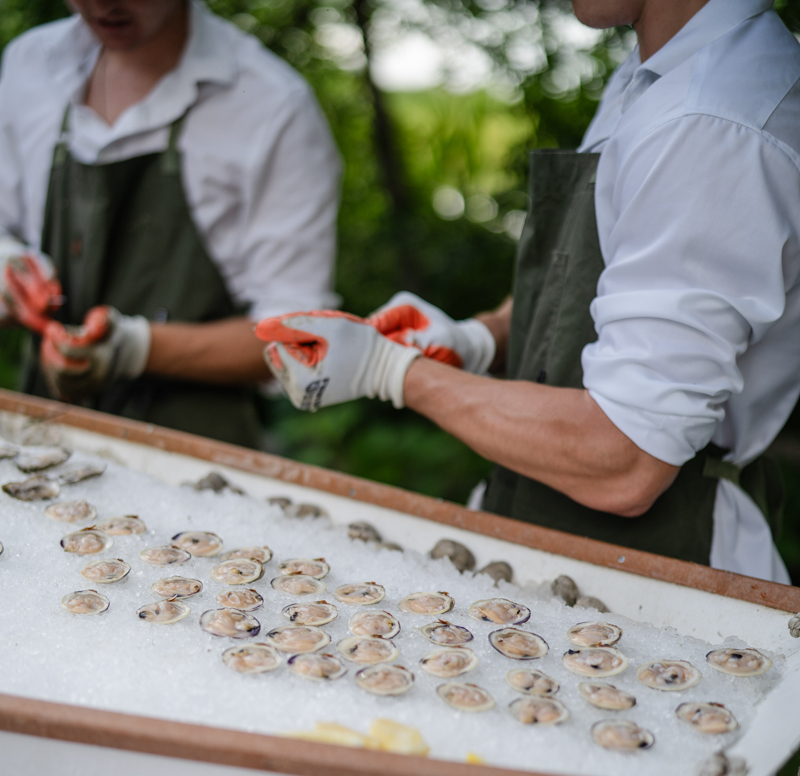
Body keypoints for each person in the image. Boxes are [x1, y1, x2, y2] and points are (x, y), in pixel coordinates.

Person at [258, 0, 800, 584]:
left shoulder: (712, 125)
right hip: (558, 527)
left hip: (657, 564)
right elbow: (612, 285)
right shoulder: (654, 73)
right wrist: (481, 338)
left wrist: (388, 371)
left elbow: (626, 458)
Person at [0, 0, 340, 448]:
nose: (102, 4)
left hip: (194, 458)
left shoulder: (272, 105)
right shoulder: (30, 64)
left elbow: (303, 335)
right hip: (44, 440)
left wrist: (135, 348)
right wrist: (9, 271)